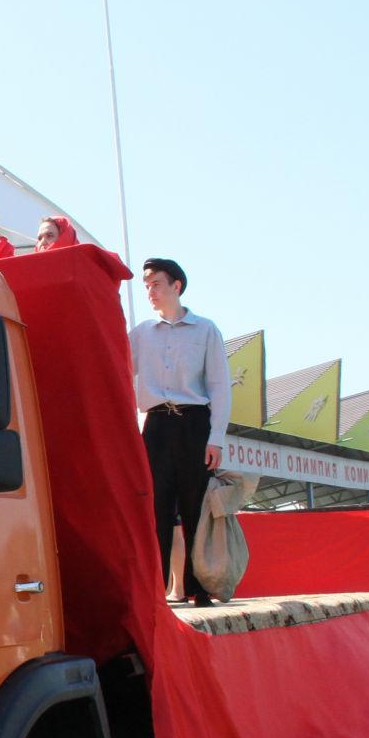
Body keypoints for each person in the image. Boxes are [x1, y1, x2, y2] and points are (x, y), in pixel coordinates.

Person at [130, 257, 229, 607]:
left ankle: (198, 587)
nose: (150, 292)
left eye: (155, 283)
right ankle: (155, 590)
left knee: (195, 506)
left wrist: (216, 437)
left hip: (194, 424)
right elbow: (117, 371)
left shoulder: (206, 330)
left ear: (177, 286)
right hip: (156, 424)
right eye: (145, 285)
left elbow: (219, 385)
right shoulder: (141, 333)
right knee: (155, 507)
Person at [0, 199, 79, 260]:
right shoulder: (32, 272)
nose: (43, 242)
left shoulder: (83, 270)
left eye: (50, 236)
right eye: (39, 238)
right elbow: (5, 269)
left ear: (65, 239)